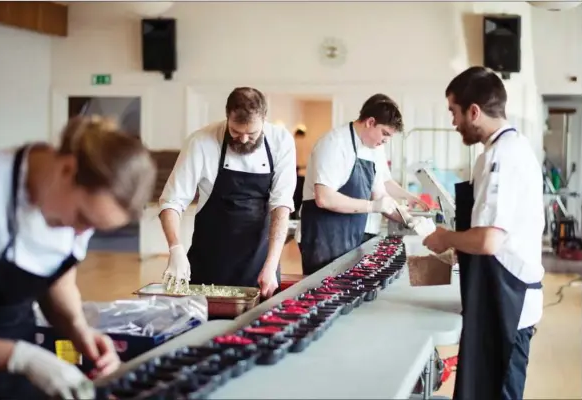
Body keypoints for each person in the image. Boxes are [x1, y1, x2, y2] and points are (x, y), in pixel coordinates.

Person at [0, 116, 158, 399]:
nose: (80, 232)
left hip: (12, 371)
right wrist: (22, 358)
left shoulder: (71, 207)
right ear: (67, 168)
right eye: (82, 218)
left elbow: (57, 278)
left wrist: (79, 330)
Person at [422, 66, 545, 400]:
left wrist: (447, 237)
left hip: (509, 300)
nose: (453, 122)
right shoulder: (496, 151)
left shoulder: (502, 157)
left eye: (454, 112)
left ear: (474, 111)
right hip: (494, 295)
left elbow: (489, 241)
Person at [159, 87, 296, 298]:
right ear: (227, 116)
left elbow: (281, 205)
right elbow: (171, 201)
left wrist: (271, 264)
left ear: (264, 119)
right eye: (235, 131)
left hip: (260, 262)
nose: (242, 139)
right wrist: (175, 248)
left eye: (251, 134)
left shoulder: (281, 141)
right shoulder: (201, 142)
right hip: (210, 258)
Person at [298, 93, 414, 275]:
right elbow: (324, 198)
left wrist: (410, 220)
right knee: (321, 295)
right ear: (370, 122)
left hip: (351, 237)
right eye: (384, 133)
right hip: (323, 238)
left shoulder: (372, 149)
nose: (385, 140)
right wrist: (372, 206)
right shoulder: (334, 143)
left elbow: (381, 196)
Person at [362, 155, 431, 243]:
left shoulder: (378, 150)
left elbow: (384, 182)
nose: (386, 140)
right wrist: (406, 218)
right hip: (359, 225)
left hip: (372, 226)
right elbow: (378, 195)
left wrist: (408, 196)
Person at [292, 128, 308, 220]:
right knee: (303, 196)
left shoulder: (294, 141)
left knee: (294, 196)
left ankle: (294, 215)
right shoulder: (309, 142)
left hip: (296, 172)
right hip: (306, 172)